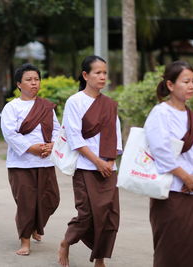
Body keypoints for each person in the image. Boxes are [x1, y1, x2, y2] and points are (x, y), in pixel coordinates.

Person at [144, 61, 193, 267]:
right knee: (171, 248)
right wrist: (185, 176)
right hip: (171, 192)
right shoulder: (160, 113)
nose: (191, 86)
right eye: (186, 81)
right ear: (171, 85)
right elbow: (160, 150)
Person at [58, 55, 122, 267]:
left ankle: (99, 259)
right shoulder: (75, 102)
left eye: (104, 72)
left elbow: (116, 135)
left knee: (110, 217)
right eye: (98, 72)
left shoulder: (109, 104)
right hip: (86, 167)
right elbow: (74, 137)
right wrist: (97, 162)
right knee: (86, 215)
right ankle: (66, 242)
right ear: (86, 75)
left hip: (109, 168)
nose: (102, 77)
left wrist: (110, 162)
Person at [1, 63, 60, 256]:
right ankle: (25, 241)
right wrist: (30, 148)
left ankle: (36, 225)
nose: (34, 83)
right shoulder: (12, 107)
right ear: (19, 84)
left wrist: (52, 145)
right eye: (29, 80)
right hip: (21, 163)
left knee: (51, 199)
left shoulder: (47, 107)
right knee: (26, 202)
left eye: (36, 79)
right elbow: (9, 134)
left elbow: (58, 131)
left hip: (45, 161)